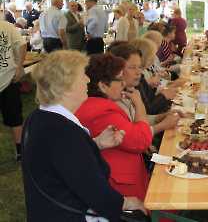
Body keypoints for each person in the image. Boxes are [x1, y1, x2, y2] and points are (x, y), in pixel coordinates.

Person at [21, 50, 147, 221]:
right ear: (66, 88)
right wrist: (127, 202)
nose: (88, 80)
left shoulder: (37, 117)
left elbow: (60, 161)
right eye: (82, 76)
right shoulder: (64, 132)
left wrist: (95, 144)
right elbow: (96, 192)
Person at [75, 53, 153, 203]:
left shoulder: (96, 105)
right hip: (119, 184)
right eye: (119, 80)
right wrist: (139, 104)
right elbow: (141, 140)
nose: (124, 84)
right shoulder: (101, 112)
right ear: (102, 85)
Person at [0, 20, 27, 160]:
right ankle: (20, 150)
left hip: (9, 78)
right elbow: (22, 44)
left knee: (13, 115)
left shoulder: (7, 26)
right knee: (13, 115)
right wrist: (18, 67)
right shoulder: (7, 26)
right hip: (9, 76)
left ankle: (20, 149)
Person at [130, 38, 177, 115]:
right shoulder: (137, 76)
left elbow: (149, 95)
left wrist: (159, 92)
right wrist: (164, 95)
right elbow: (148, 109)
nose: (153, 58)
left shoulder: (141, 73)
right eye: (151, 55)